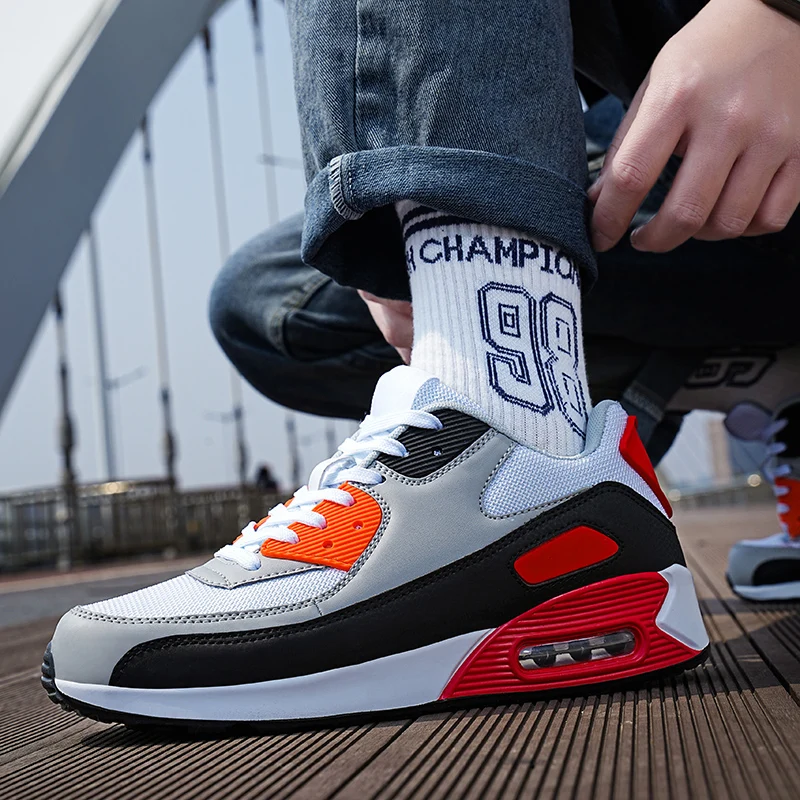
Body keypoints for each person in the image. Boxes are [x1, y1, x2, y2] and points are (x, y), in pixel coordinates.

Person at [43, 0, 799, 727]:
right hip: (684, 187)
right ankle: (583, 428)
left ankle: (503, 438)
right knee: (268, 304)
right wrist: (402, 219)